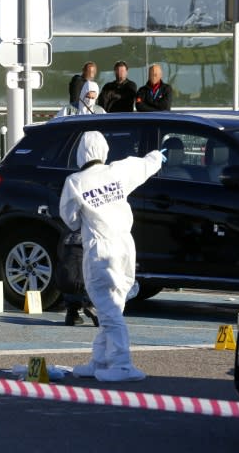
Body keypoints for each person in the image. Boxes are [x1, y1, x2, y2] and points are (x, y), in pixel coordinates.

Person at [59, 131, 163, 382]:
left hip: (100, 248)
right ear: (104, 150)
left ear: (81, 153)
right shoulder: (118, 170)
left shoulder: (75, 181)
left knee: (108, 308)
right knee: (114, 305)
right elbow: (147, 164)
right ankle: (100, 360)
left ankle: (122, 364)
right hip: (125, 245)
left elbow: (70, 219)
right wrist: (159, 155)